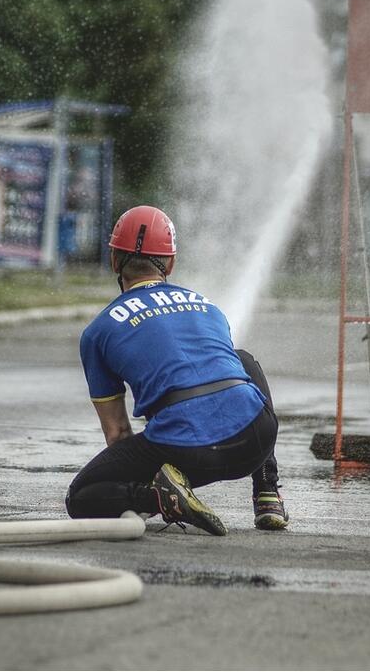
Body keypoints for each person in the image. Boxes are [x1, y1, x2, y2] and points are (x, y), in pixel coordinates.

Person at [66, 205, 288, 535]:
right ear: (170, 263)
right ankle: (268, 490)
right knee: (242, 361)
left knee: (81, 496)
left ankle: (160, 497)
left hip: (187, 455)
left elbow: (118, 435)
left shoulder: (98, 332)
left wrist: (133, 495)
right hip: (257, 440)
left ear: (114, 261)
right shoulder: (209, 308)